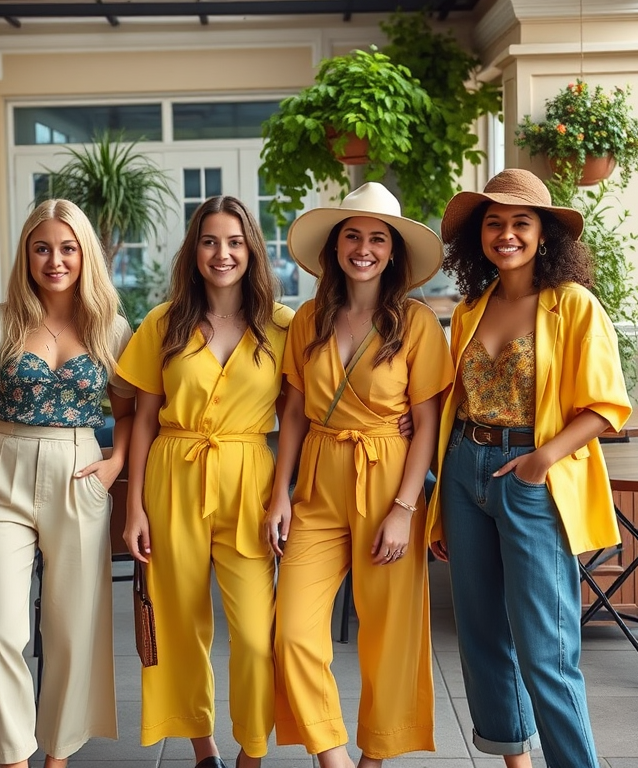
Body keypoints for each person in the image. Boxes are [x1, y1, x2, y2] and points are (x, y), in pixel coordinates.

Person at [429, 168, 632, 768]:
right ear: (479, 237)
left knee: (547, 647)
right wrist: (444, 501)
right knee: (482, 635)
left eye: (521, 222)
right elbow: (454, 404)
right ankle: (514, 760)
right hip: (465, 471)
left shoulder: (573, 305)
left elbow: (605, 404)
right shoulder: (470, 308)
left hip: (533, 476)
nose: (507, 234)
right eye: (494, 223)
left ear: (544, 234)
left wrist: (540, 461)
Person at [267, 182, 452, 768]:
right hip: (318, 481)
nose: (364, 248)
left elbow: (426, 423)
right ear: (336, 246)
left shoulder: (418, 323)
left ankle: (373, 757)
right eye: (353, 236)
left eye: (377, 238)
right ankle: (332, 755)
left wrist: (403, 509)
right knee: (292, 630)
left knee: (390, 633)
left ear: (393, 251)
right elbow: (292, 415)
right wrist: (280, 496)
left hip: (389, 478)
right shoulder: (308, 319)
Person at [0, 199, 134, 768]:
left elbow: (128, 412)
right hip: (2, 472)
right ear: (26, 254)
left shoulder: (112, 326)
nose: (55, 260)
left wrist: (115, 461)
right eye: (42, 248)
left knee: (72, 629)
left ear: (86, 254)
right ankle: (11, 757)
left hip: (80, 468)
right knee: (2, 629)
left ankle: (56, 755)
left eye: (68, 248)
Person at [119, 196, 294, 768]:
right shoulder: (162, 322)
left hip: (250, 480)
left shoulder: (283, 325)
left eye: (235, 242)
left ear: (252, 251)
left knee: (252, 634)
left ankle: (253, 749)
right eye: (211, 241)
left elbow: (300, 414)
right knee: (177, 622)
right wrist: (134, 509)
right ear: (194, 250)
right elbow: (143, 417)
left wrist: (284, 495)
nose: (223, 254)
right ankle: (203, 749)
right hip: (173, 474)